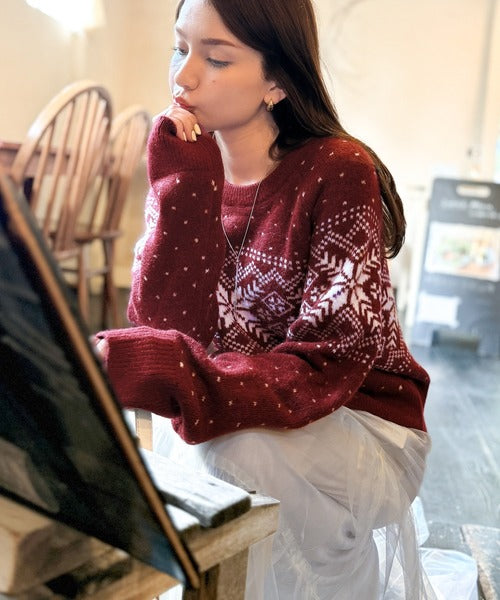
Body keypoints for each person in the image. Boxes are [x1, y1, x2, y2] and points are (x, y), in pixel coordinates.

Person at [96, 0, 435, 598]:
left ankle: (338, 571)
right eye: (180, 47)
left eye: (216, 58)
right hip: (242, 402)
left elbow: (328, 362)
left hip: (362, 420)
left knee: (230, 448)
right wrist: (184, 186)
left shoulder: (338, 171)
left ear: (277, 80)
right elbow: (168, 327)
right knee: (193, 444)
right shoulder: (187, 159)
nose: (183, 76)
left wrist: (181, 372)